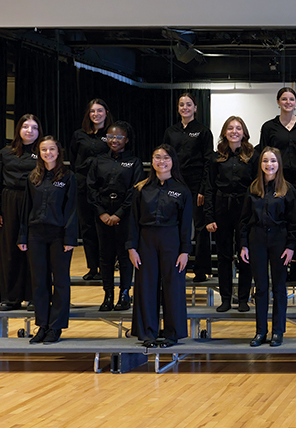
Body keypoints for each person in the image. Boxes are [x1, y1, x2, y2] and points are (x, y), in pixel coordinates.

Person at [127, 144, 193, 348]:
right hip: (146, 240)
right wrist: (132, 248)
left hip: (172, 240)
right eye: (157, 157)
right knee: (146, 286)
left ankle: (172, 334)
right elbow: (133, 220)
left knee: (173, 287)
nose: (161, 161)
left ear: (173, 161)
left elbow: (185, 224)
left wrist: (185, 251)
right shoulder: (141, 188)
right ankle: (148, 333)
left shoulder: (181, 190)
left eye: (166, 158)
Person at [240, 147, 296, 347]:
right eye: (265, 161)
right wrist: (243, 245)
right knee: (260, 288)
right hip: (256, 240)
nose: (269, 165)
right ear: (260, 164)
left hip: (279, 241)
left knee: (279, 288)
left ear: (279, 164)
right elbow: (243, 220)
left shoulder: (287, 189)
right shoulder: (253, 188)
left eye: (273, 161)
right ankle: (260, 332)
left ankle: (278, 332)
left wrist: (291, 246)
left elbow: (295, 223)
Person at [18, 136, 77, 343]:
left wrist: (70, 237)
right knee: (39, 281)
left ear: (58, 152)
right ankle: (42, 325)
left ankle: (56, 327)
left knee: (60, 281)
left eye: (51, 149)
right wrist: (22, 235)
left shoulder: (68, 177)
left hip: (59, 235)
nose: (48, 153)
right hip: (36, 234)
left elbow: (71, 210)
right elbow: (26, 208)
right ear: (39, 153)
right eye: (44, 150)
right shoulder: (32, 177)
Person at [258, 87, 296, 281]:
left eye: (291, 99)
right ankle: (277, 262)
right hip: (275, 181)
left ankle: (294, 265)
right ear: (278, 102)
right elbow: (264, 154)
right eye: (284, 99)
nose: (288, 102)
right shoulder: (269, 127)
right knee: (278, 222)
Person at [87, 121, 144, 312]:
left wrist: (119, 214)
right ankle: (108, 294)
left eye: (119, 137)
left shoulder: (134, 162)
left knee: (125, 254)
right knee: (106, 256)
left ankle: (125, 294)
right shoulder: (98, 161)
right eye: (110, 136)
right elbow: (91, 188)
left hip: (125, 215)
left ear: (126, 140)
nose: (114, 140)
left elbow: (135, 191)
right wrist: (102, 213)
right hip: (102, 215)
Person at [203, 116, 257, 312]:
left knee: (245, 254)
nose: (234, 131)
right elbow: (209, 187)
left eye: (238, 128)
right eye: (230, 128)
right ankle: (226, 298)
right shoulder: (215, 157)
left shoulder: (253, 156)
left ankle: (243, 298)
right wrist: (209, 217)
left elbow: (257, 186)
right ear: (225, 132)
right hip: (221, 207)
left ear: (244, 132)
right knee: (224, 256)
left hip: (245, 208)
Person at [0, 115, 41, 311]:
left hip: (34, 202)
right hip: (9, 202)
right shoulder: (5, 153)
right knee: (9, 250)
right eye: (26, 127)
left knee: (34, 250)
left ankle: (34, 296)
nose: (29, 131)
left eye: (34, 128)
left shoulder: (42, 152)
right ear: (18, 129)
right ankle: (10, 298)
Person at [162, 93, 215, 283]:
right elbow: (165, 158)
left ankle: (201, 270)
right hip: (175, 183)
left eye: (189, 104)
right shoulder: (171, 131)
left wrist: (203, 189)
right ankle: (175, 266)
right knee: (174, 225)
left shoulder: (203, 131)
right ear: (178, 108)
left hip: (196, 184)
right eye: (182, 104)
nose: (185, 107)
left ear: (195, 108)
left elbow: (208, 161)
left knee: (200, 227)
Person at [68, 99, 113, 281]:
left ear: (106, 113)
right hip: (83, 186)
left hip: (104, 187)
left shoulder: (112, 133)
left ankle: (106, 267)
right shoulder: (79, 135)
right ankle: (92, 267)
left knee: (104, 229)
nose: (96, 114)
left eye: (100, 110)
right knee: (87, 228)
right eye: (93, 111)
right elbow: (73, 160)